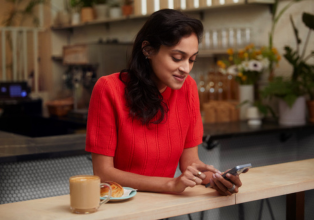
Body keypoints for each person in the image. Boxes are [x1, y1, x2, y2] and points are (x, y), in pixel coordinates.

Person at [85, 9, 246, 196]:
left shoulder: (188, 88)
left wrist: (217, 179)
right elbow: (103, 174)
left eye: (192, 59)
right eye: (177, 58)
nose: (186, 68)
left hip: (164, 206)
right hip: (121, 207)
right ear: (148, 50)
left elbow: (190, 164)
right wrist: (170, 185)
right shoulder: (108, 89)